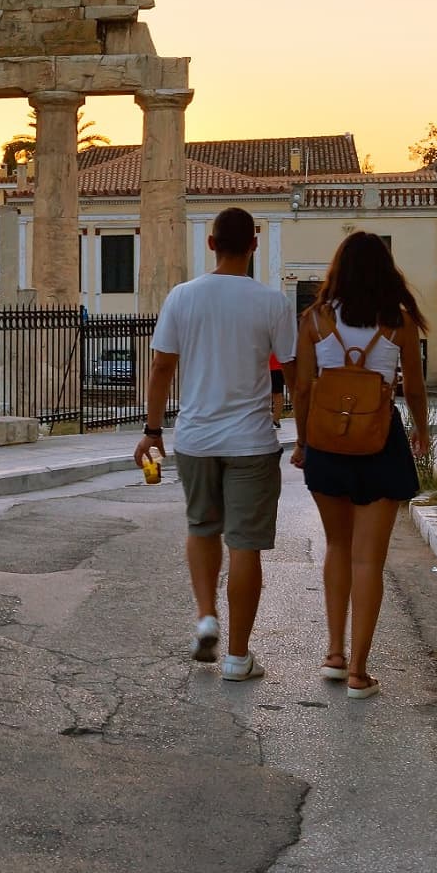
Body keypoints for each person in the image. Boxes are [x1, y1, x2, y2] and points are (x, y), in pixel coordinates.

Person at [136, 208, 297, 682]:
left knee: (201, 527)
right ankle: (237, 658)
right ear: (254, 243)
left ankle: (206, 616)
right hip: (251, 440)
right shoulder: (272, 303)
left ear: (210, 244)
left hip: (196, 439)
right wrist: (304, 433)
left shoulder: (182, 298)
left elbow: (162, 368)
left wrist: (152, 431)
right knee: (245, 545)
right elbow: (293, 375)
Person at [291, 232, 430, 701]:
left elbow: (305, 390)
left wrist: (301, 441)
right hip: (380, 441)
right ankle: (358, 671)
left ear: (339, 270)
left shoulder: (314, 320)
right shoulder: (399, 323)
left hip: (327, 442)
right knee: (369, 559)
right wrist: (423, 431)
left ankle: (332, 653)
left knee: (336, 545)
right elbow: (413, 388)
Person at [268, 352, 285, 429]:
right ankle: (274, 419)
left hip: (275, 367)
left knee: (277, 393)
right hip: (264, 365)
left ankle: (276, 420)